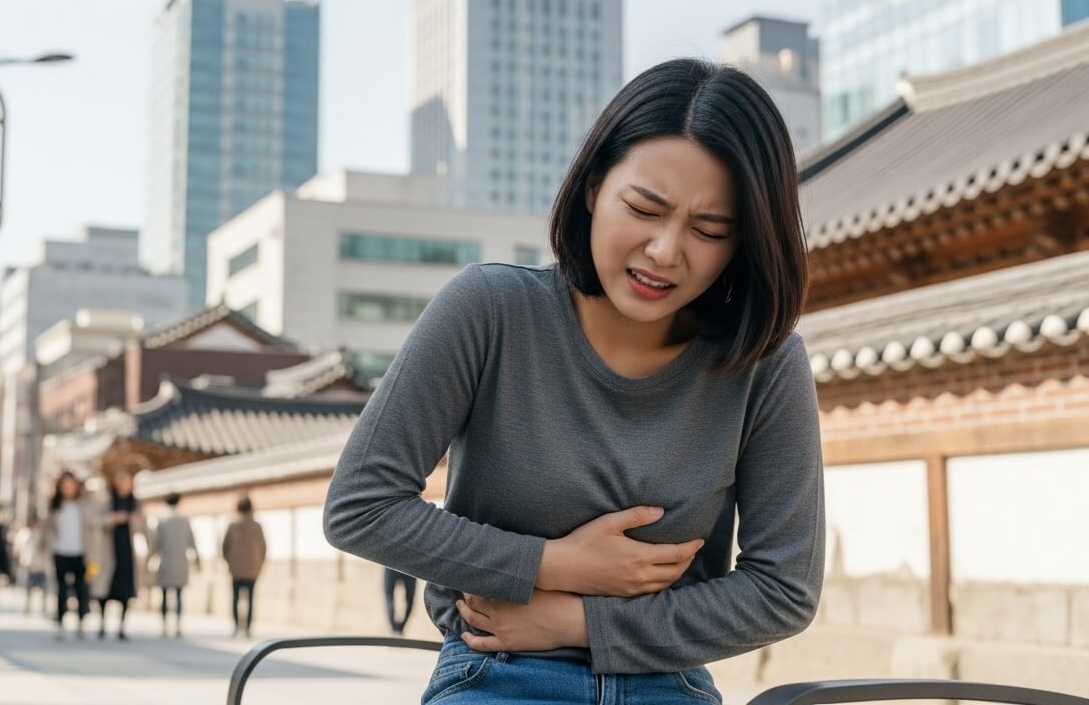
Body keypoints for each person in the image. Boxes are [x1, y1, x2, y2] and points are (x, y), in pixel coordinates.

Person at [324, 58, 824, 704]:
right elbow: (361, 507)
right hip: (492, 673)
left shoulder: (765, 363)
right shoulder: (491, 309)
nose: (667, 251)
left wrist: (579, 621)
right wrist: (556, 564)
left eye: (709, 231)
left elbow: (784, 590)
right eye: (645, 208)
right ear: (592, 187)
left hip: (666, 683)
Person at [41, 471, 99, 641]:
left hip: (81, 553)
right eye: (65, 485)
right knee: (62, 590)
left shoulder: (84, 505)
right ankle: (60, 623)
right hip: (60, 552)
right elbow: (46, 530)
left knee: (82, 588)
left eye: (71, 484)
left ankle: (81, 621)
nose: (68, 488)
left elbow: (93, 525)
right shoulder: (54, 506)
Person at [92, 469, 147, 641]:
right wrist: (113, 519)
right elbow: (96, 521)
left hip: (127, 551)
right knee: (106, 590)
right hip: (109, 550)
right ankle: (101, 623)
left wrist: (133, 520)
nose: (123, 483)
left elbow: (143, 527)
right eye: (121, 479)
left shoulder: (136, 504)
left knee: (125, 591)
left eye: (127, 480)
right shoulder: (107, 501)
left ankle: (121, 627)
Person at [149, 492, 199, 638]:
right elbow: (192, 540)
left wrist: (150, 558)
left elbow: (155, 542)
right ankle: (178, 625)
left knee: (164, 595)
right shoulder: (184, 520)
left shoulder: (161, 519)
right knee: (178, 595)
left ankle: (164, 625)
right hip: (181, 561)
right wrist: (197, 558)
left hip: (165, 560)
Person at [220, 495, 265, 638]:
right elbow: (263, 548)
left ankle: (236, 626)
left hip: (236, 569)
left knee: (235, 598)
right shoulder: (257, 526)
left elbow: (224, 547)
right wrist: (259, 564)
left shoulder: (233, 525)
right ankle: (248, 628)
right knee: (250, 598)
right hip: (252, 569)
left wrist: (229, 562)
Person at [383, 567, 417, 637]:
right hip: (408, 566)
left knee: (390, 596)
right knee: (390, 596)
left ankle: (397, 629)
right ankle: (396, 629)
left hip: (409, 566)